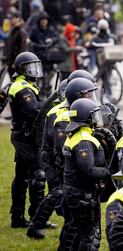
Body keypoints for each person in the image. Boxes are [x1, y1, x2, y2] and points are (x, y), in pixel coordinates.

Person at [59, 98, 110, 250]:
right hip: (82, 195)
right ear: (86, 118)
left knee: (77, 232)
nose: (96, 118)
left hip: (73, 191)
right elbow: (88, 170)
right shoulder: (83, 140)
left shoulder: (74, 135)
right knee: (89, 237)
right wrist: (108, 173)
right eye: (93, 115)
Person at [26, 80, 68, 239]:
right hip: (52, 159)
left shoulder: (68, 110)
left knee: (59, 193)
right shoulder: (56, 112)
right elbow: (56, 143)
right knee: (57, 192)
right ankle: (35, 225)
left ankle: (37, 224)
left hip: (57, 158)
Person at [7, 51, 44, 228]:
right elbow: (32, 112)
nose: (34, 70)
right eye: (30, 67)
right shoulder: (22, 88)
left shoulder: (24, 85)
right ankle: (37, 219)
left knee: (22, 177)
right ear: (22, 69)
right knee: (38, 175)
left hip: (25, 136)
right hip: (25, 137)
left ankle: (18, 217)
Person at [3, 8, 27, 77]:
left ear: (17, 18)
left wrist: (17, 63)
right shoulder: (13, 30)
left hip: (16, 64)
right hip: (10, 62)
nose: (10, 20)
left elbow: (22, 49)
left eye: (12, 18)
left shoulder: (21, 31)